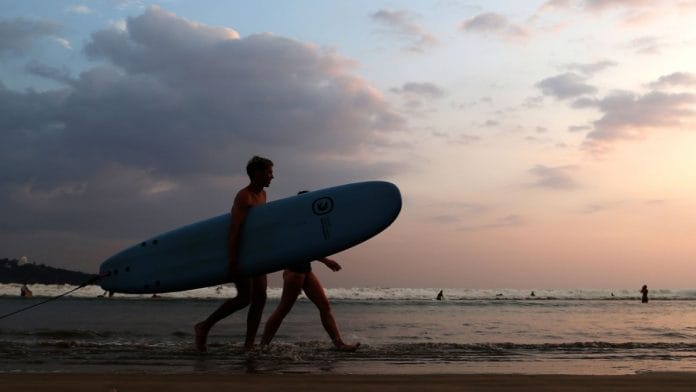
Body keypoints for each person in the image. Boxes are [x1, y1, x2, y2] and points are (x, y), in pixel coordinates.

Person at [194, 156, 273, 352]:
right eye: (269, 172)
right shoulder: (243, 196)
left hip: (257, 254)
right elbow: (234, 229)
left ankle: (249, 345)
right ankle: (204, 326)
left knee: (261, 297)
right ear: (257, 173)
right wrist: (233, 258)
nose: (272, 176)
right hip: (243, 252)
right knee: (245, 298)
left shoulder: (263, 194)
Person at [260, 256, 360, 351]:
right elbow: (302, 248)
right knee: (282, 310)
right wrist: (326, 261)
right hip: (295, 271)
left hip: (306, 270)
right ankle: (263, 346)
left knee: (324, 306)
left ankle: (339, 344)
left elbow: (311, 247)